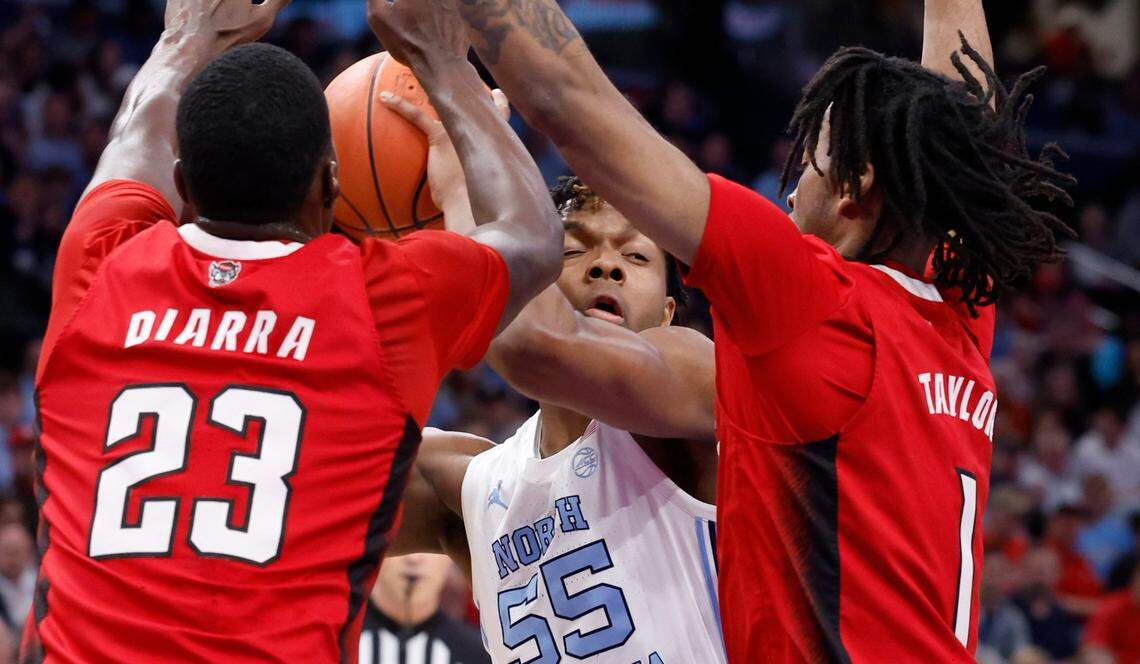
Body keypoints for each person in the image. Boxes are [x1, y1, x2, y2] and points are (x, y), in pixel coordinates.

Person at [401, 0, 1077, 659]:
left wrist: (448, 70)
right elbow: (966, 140)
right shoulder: (958, 312)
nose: (788, 192)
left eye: (807, 158)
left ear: (855, 187)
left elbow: (570, 100)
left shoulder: (813, 301)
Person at [25, 0, 562, 661]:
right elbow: (533, 240)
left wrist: (185, 37)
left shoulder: (98, 263)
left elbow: (134, 141)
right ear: (331, 184)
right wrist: (445, 64)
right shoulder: (382, 300)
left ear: (184, 185)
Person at [365, 65, 721, 663]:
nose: (605, 266)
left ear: (665, 315)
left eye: (634, 256)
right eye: (574, 249)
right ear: (539, 278)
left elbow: (537, 345)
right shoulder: (469, 484)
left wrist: (461, 185)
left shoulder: (698, 384)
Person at [359, 554, 489, 664]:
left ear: (450, 555)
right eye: (403, 540)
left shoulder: (480, 654)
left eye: (428, 547)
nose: (414, 559)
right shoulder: (341, 642)